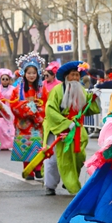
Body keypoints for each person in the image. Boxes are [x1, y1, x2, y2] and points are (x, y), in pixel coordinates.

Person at [42, 60, 101, 195]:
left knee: (79, 157)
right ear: (66, 76)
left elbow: (87, 108)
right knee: (54, 160)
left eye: (77, 75)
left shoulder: (81, 90)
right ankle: (51, 186)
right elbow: (50, 111)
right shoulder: (57, 91)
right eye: (72, 75)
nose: (75, 78)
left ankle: (69, 180)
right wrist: (66, 123)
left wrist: (94, 97)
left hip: (77, 130)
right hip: (58, 128)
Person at [11, 53, 48, 180]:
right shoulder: (18, 89)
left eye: (34, 73)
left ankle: (38, 168)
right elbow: (14, 104)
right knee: (25, 146)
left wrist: (37, 113)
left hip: (37, 122)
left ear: (38, 74)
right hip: (24, 123)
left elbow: (46, 103)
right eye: (29, 73)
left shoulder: (42, 89)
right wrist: (27, 110)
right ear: (24, 73)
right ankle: (28, 170)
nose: (31, 75)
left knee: (38, 145)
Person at [0, 69, 16, 151]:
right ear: (0, 80)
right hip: (0, 111)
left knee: (10, 127)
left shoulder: (13, 89)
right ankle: (1, 144)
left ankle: (10, 143)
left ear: (9, 80)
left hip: (10, 110)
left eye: (7, 79)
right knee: (0, 127)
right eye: (3, 79)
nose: (5, 81)